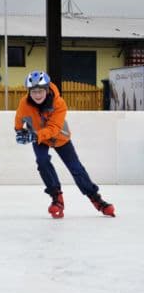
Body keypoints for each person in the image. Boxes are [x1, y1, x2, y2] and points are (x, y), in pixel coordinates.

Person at [14, 70, 115, 218]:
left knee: (76, 168)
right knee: (42, 162)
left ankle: (96, 199)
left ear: (47, 89)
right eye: (33, 91)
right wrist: (18, 131)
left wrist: (34, 135)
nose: (37, 95)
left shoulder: (59, 103)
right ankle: (56, 197)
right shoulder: (24, 102)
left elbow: (54, 128)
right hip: (38, 138)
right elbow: (19, 117)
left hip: (59, 137)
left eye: (40, 91)